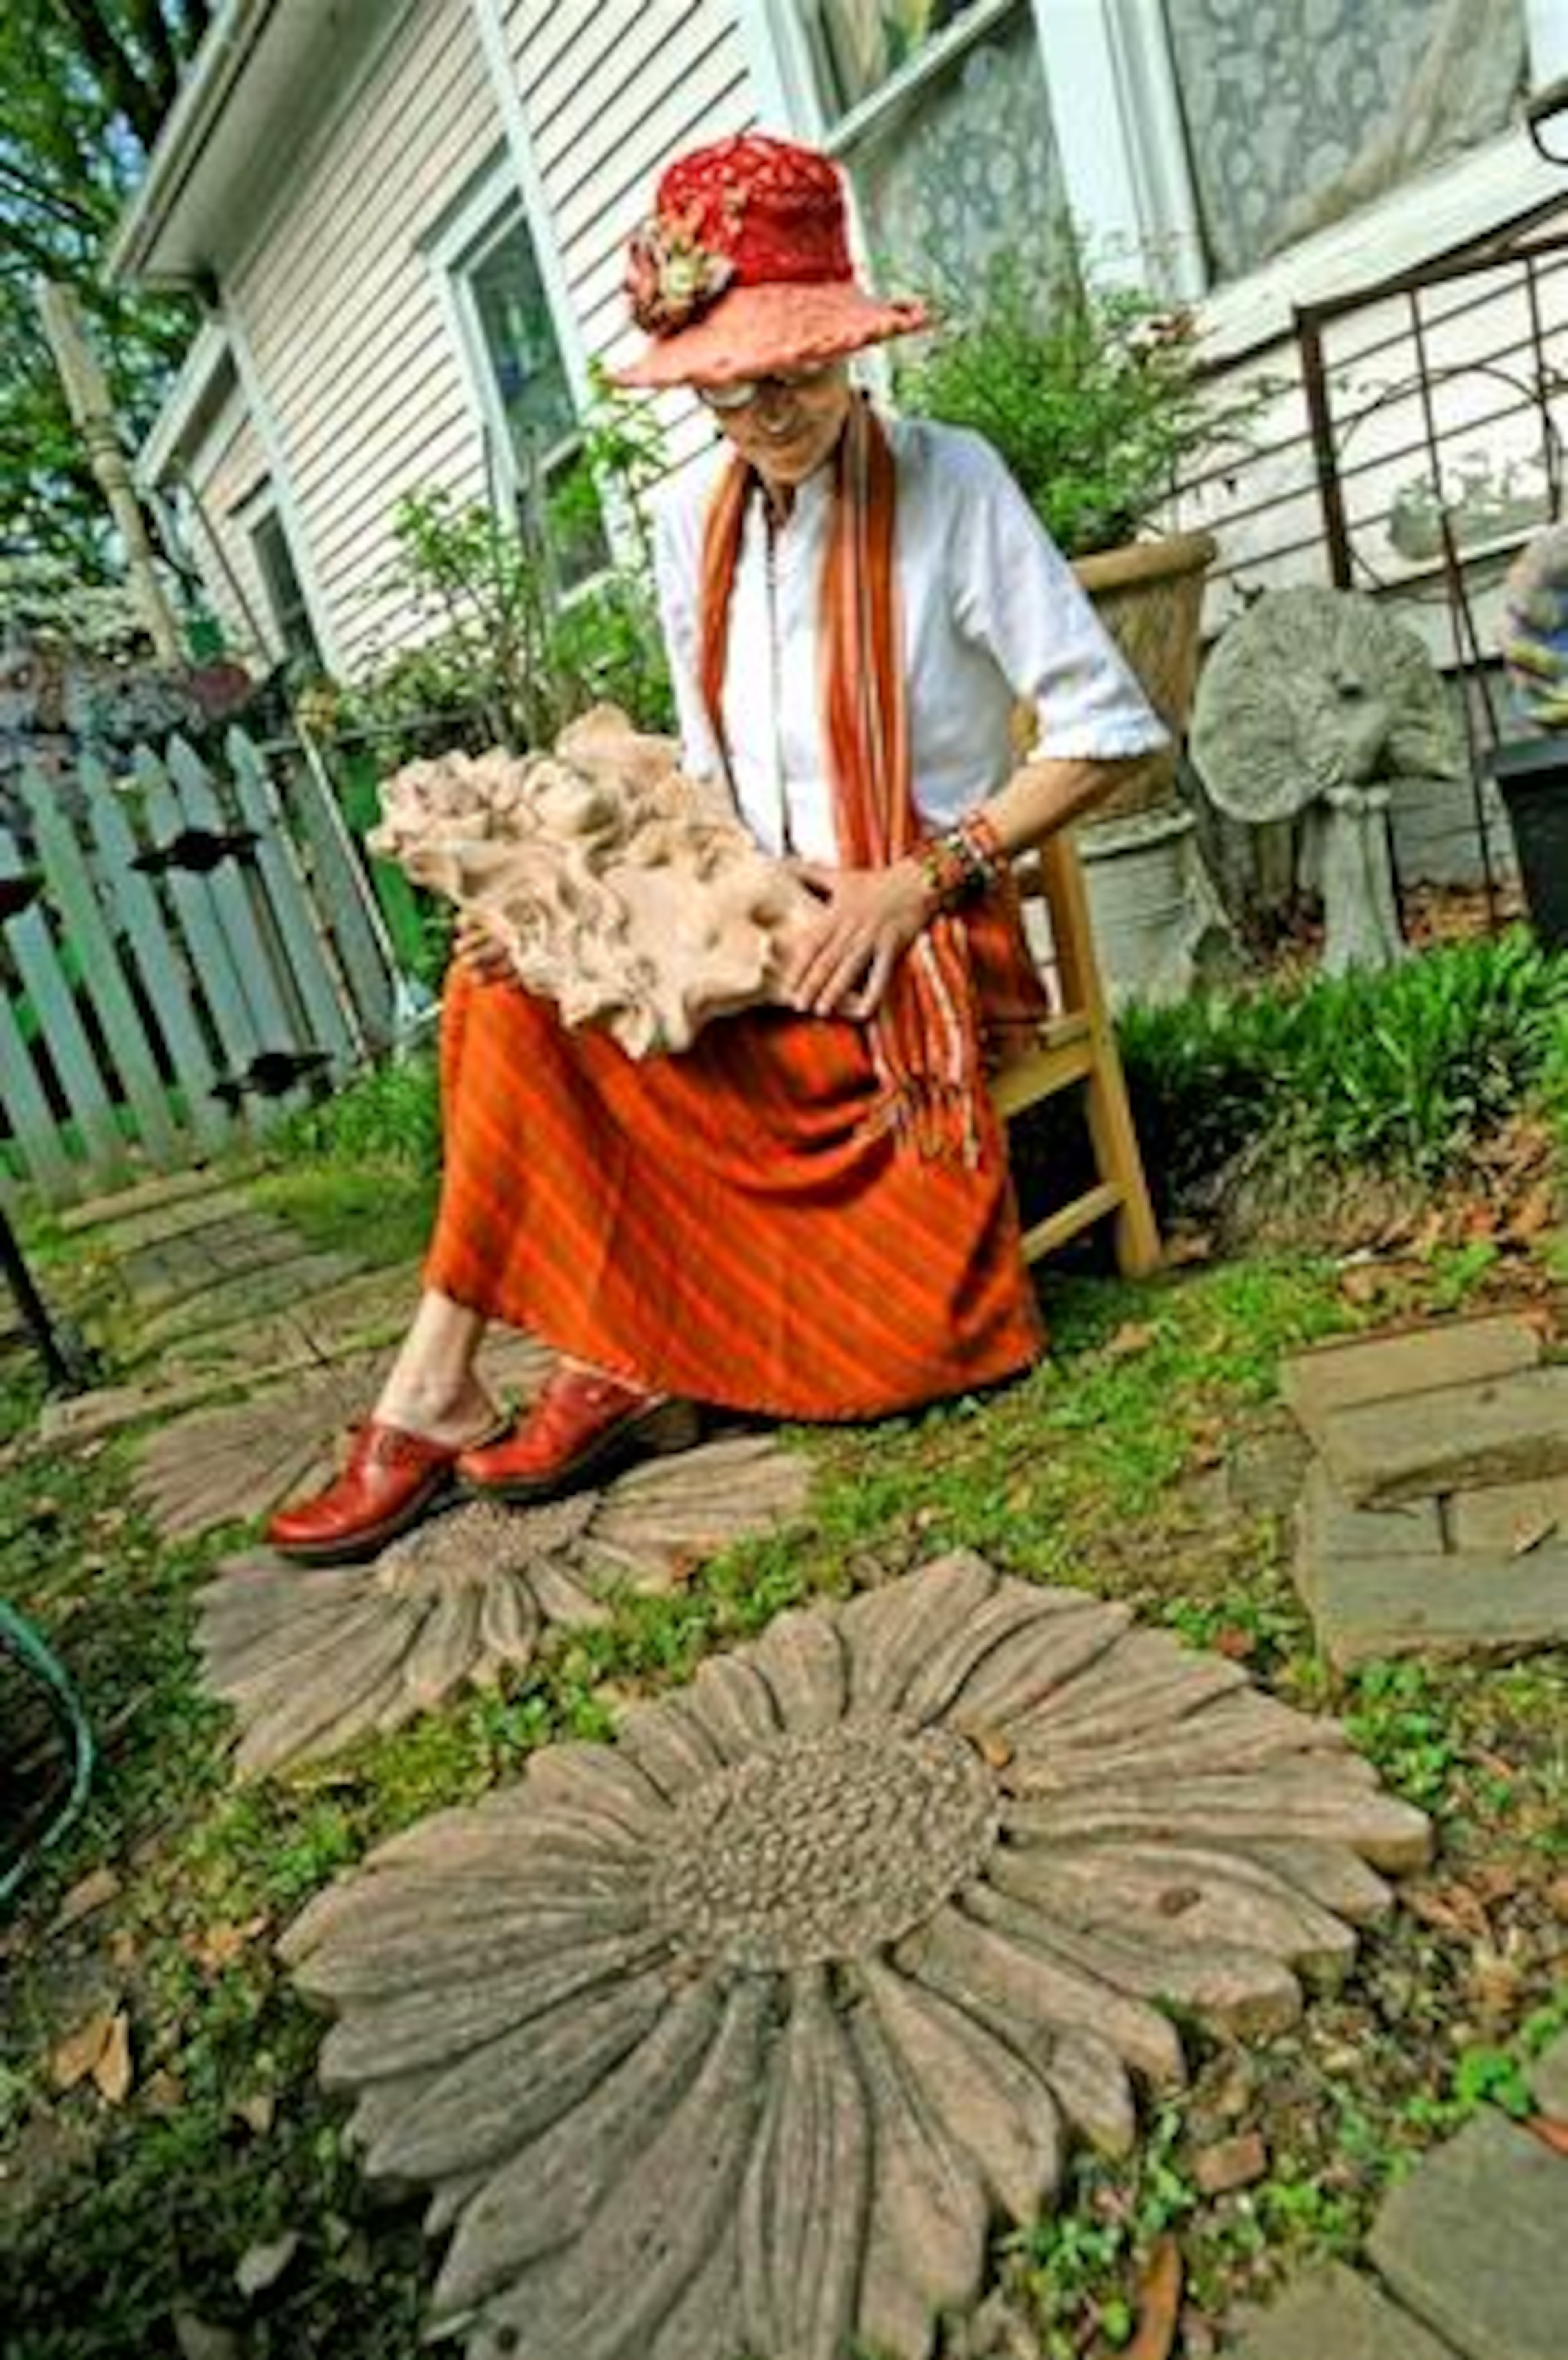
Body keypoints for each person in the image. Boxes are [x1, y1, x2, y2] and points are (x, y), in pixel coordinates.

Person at [265, 131, 1167, 1566]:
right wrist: (589, 917)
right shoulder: (694, 521)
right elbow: (705, 784)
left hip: (904, 937)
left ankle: (615, 1357)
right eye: (727, 383)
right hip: (743, 912)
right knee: (504, 978)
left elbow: (1113, 732)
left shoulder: (953, 482)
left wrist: (911, 883)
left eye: (795, 367)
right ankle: (440, 1383)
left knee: (556, 1024)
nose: (765, 408)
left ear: (848, 343)